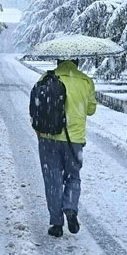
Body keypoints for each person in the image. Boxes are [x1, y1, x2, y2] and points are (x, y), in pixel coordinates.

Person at [35, 58, 96, 237]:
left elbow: (36, 107)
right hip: (74, 140)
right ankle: (70, 207)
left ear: (57, 60)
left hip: (48, 137)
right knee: (73, 177)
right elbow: (91, 109)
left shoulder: (46, 78)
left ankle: (56, 224)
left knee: (52, 181)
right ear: (77, 61)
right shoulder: (85, 81)